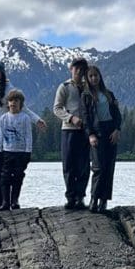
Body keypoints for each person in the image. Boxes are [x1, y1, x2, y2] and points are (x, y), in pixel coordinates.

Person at [0, 62, 45, 214]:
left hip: (2, 139)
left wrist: (36, 119)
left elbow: (24, 108)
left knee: (0, 171)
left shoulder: (10, 90)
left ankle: (1, 202)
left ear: (2, 74)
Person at [83, 65, 122, 214]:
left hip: (111, 131)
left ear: (100, 76)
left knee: (109, 167)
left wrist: (117, 129)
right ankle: (94, 198)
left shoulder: (109, 94)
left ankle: (104, 200)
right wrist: (90, 135)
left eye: (96, 75)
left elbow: (117, 115)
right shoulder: (86, 96)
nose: (94, 78)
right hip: (97, 132)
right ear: (88, 78)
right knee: (98, 168)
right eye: (91, 76)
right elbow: (86, 117)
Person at [53, 57, 91, 210]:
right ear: (71, 69)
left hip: (86, 132)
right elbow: (56, 108)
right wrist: (71, 118)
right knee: (69, 165)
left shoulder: (88, 88)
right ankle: (70, 197)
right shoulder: (64, 87)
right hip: (68, 130)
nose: (79, 72)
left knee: (84, 166)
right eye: (77, 69)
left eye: (82, 69)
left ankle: (80, 197)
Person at [0, 89, 39, 211]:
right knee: (5, 177)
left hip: (20, 153)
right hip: (7, 152)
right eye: (10, 100)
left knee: (18, 177)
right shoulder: (3, 118)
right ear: (7, 103)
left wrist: (28, 152)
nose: (13, 103)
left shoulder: (25, 118)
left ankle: (15, 200)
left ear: (21, 103)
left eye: (16, 100)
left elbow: (28, 136)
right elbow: (0, 136)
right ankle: (5, 202)